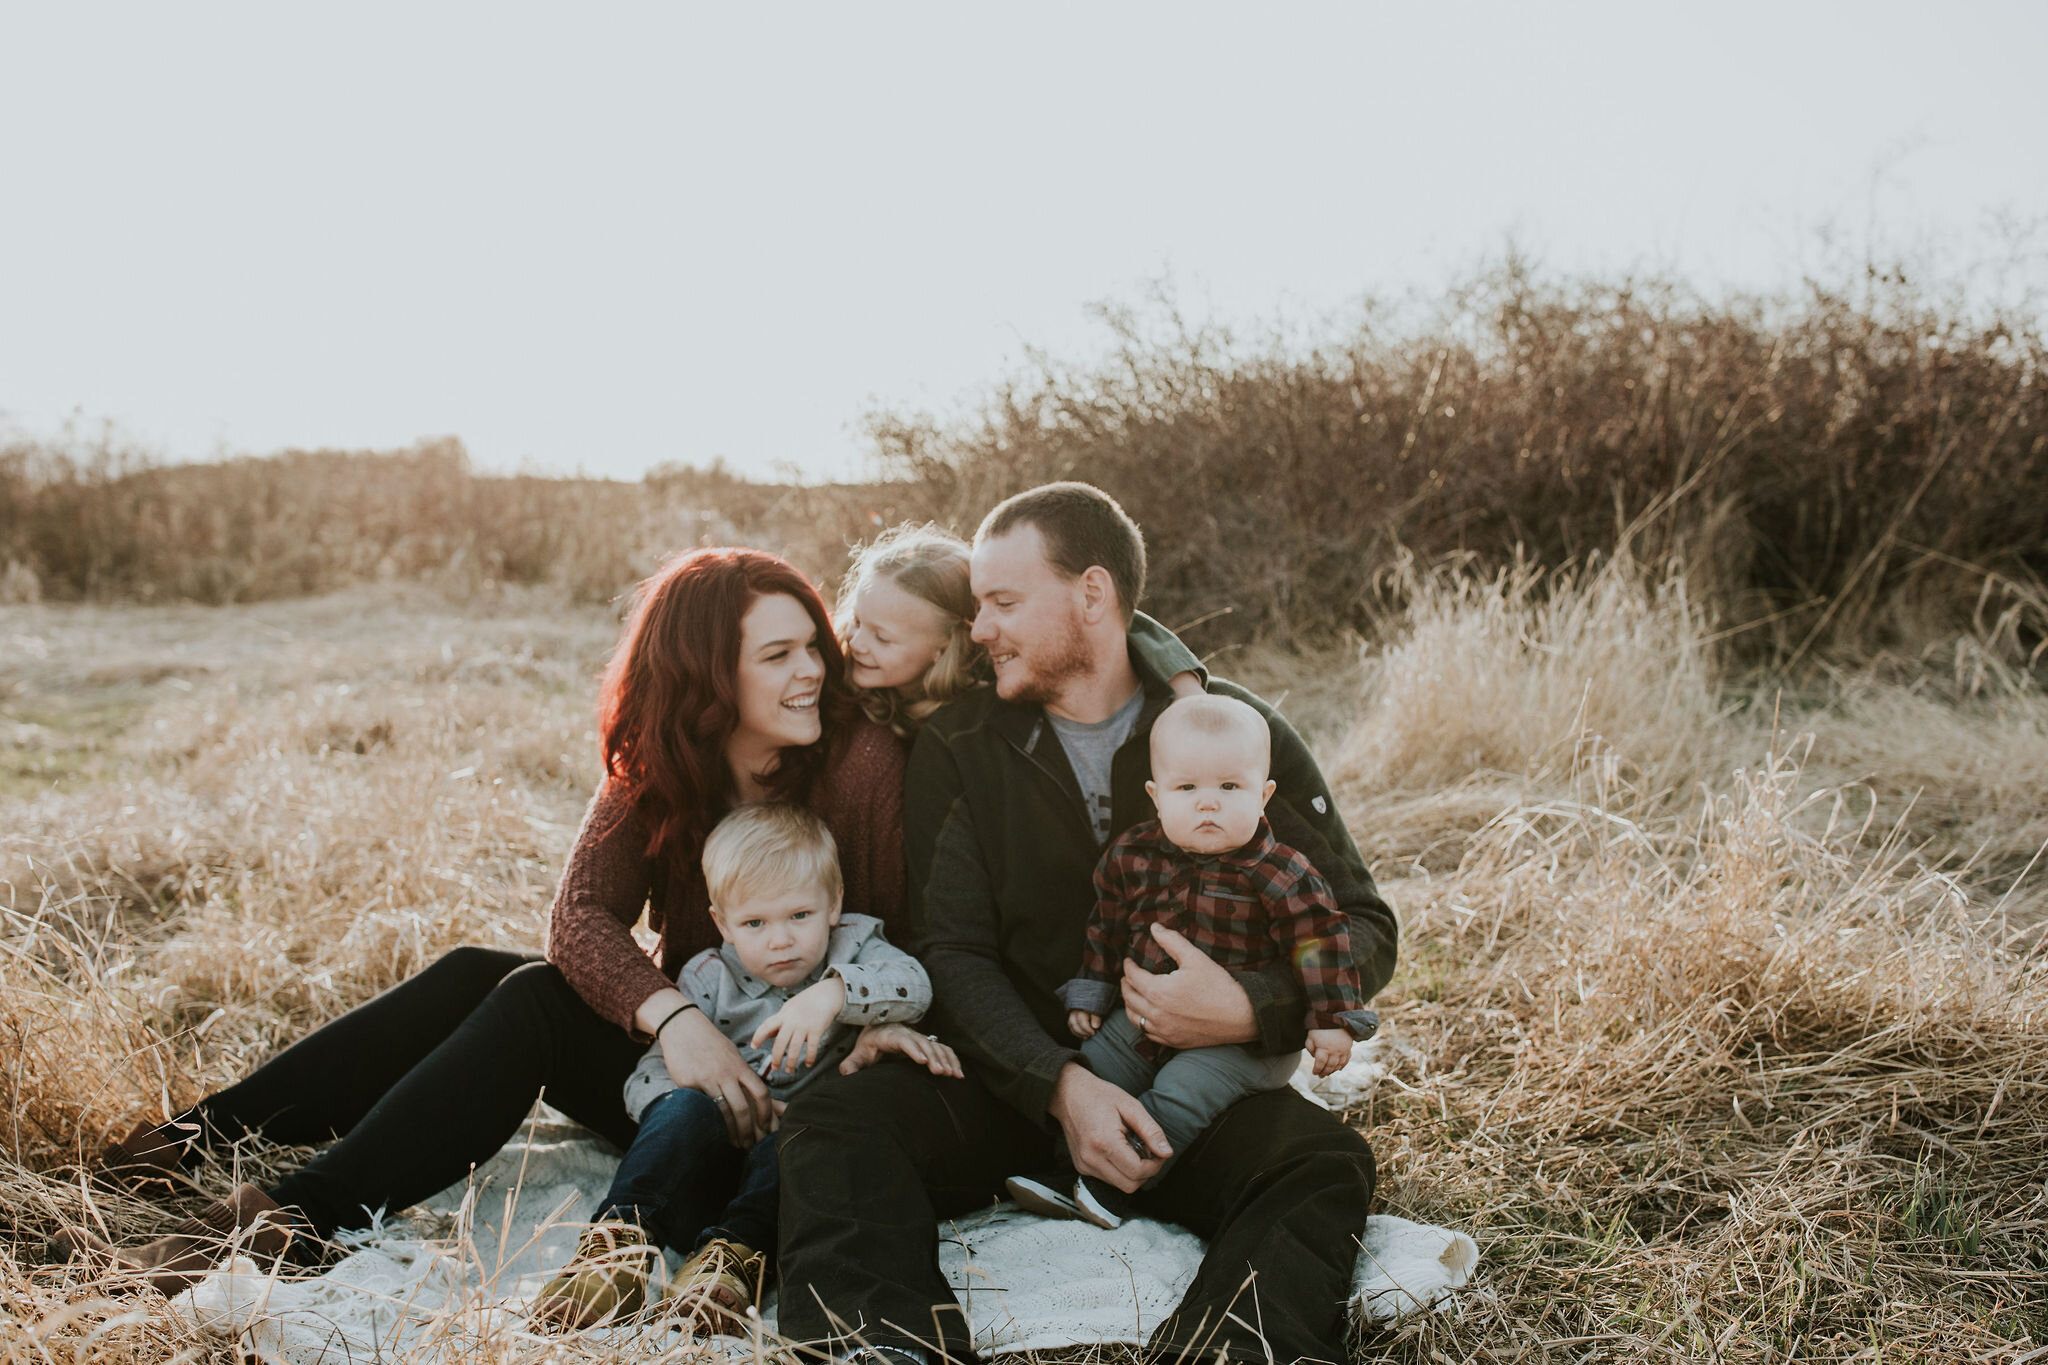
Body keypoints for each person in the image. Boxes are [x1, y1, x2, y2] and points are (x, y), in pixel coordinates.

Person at [53, 548, 910, 1298]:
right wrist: (677, 1020)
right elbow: (577, 919)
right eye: (780, 654)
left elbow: (907, 937)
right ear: (709, 676)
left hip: (806, 1094)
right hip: (692, 1061)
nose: (814, 671)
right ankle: (191, 1142)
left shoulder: (858, 764)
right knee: (491, 977)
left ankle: (286, 1218)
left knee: (529, 994)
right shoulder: (661, 765)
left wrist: (843, 1016)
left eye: (812, 647)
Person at [776, 483, 1400, 1365]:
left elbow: (1363, 924)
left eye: (1001, 602)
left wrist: (1250, 1009)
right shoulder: (962, 743)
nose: (978, 628)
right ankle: (882, 1350)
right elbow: (952, 950)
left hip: (1194, 1091)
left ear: (1093, 595)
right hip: (1014, 1081)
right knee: (837, 1125)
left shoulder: (1232, 733)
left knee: (1321, 1163)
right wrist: (1062, 1086)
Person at [531, 802, 960, 1333]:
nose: (780, 939)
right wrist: (719, 1106)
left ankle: (731, 1262)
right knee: (681, 1106)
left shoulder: (855, 944)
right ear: (722, 924)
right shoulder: (709, 977)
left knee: (799, 1139)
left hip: (786, 1177)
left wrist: (834, 994)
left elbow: (913, 984)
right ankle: (616, 1249)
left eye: (799, 916)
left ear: (834, 904)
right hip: (705, 1164)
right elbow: (647, 1078)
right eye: (755, 922)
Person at [1005, 692, 1379, 1230]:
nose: (1208, 804)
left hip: (1244, 1043)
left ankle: (1120, 1184)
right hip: (1143, 1021)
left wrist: (1329, 1020)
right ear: (1157, 796)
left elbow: (1321, 944)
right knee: (1095, 1069)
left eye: (1229, 787)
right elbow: (1108, 927)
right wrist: (1091, 989)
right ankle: (1071, 1170)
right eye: (1187, 788)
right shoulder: (1132, 857)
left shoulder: (1282, 872)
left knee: (1180, 1095)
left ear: (1264, 794)